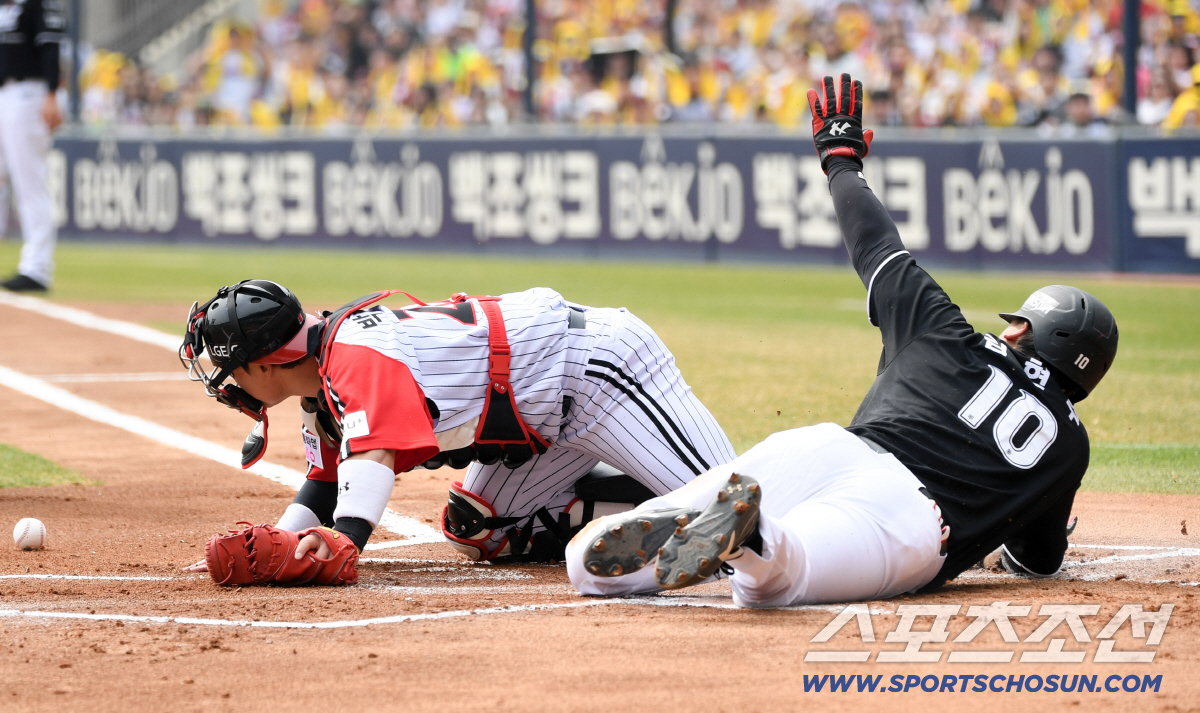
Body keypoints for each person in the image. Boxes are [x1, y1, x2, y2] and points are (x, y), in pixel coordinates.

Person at [566, 74, 1119, 607]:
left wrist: (841, 162)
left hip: (829, 448)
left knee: (591, 569)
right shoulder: (1069, 448)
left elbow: (877, 243)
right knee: (780, 577)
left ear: (1025, 329)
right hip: (910, 518)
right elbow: (1039, 559)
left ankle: (648, 530)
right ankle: (754, 541)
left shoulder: (947, 332)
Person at [179, 282, 735, 575]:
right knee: (478, 527)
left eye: (229, 368)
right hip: (542, 423)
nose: (225, 381)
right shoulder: (319, 377)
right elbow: (326, 483)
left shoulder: (352, 357)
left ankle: (682, 488)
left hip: (597, 369)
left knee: (736, 514)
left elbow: (369, 462)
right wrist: (289, 537)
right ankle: (651, 511)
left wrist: (342, 542)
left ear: (264, 362)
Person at [0, 0, 64, 293]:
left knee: (30, 183)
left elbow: (51, 48)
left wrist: (51, 93)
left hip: (30, 93)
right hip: (6, 93)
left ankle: (37, 268)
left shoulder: (37, 3)